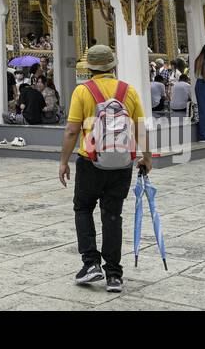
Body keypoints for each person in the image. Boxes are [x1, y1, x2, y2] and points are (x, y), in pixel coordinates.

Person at [58, 44, 149, 294]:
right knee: (112, 215)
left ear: (89, 68)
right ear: (113, 65)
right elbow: (141, 127)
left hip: (90, 161)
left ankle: (90, 263)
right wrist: (147, 157)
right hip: (122, 163)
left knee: (83, 208)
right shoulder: (128, 91)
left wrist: (63, 161)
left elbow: (72, 130)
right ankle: (114, 275)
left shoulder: (82, 91)